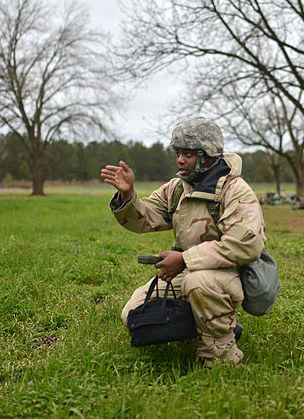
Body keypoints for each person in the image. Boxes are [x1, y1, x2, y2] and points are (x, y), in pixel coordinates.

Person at [100, 117, 266, 367]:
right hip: (188, 269)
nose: (179, 159)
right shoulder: (178, 187)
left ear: (207, 154)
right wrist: (128, 194)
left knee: (197, 281)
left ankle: (221, 357)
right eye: (178, 152)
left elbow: (247, 244)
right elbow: (145, 218)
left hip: (227, 273)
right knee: (133, 314)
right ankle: (209, 325)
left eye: (187, 153)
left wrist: (185, 259)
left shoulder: (235, 191)